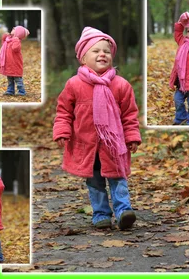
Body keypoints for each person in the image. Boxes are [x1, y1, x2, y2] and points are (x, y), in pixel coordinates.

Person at [53, 27, 141, 230]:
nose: (102, 54)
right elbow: (64, 111)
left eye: (107, 51)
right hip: (88, 145)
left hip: (113, 145)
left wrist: (132, 136)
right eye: (96, 51)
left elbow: (129, 114)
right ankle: (101, 214)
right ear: (83, 58)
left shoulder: (121, 85)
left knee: (118, 179)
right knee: (95, 183)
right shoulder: (74, 85)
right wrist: (62, 131)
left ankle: (123, 211)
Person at [0, 26, 30, 96]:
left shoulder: (17, 41)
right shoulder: (9, 40)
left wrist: (16, 40)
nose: (12, 29)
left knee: (18, 79)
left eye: (14, 29)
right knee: (10, 79)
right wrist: (4, 36)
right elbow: (3, 44)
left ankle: (21, 91)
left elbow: (15, 49)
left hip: (15, 64)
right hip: (9, 64)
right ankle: (10, 91)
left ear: (18, 33)